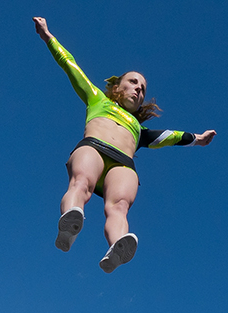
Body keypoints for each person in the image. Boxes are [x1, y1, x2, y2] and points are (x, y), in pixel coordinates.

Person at [33, 16, 215, 273]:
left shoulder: (139, 130)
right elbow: (70, 65)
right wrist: (48, 36)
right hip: (94, 148)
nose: (138, 89)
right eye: (133, 82)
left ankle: (117, 246)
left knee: (119, 206)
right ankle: (70, 223)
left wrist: (197, 139)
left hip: (123, 163)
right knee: (81, 183)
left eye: (143, 88)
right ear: (117, 86)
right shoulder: (97, 99)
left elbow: (170, 136)